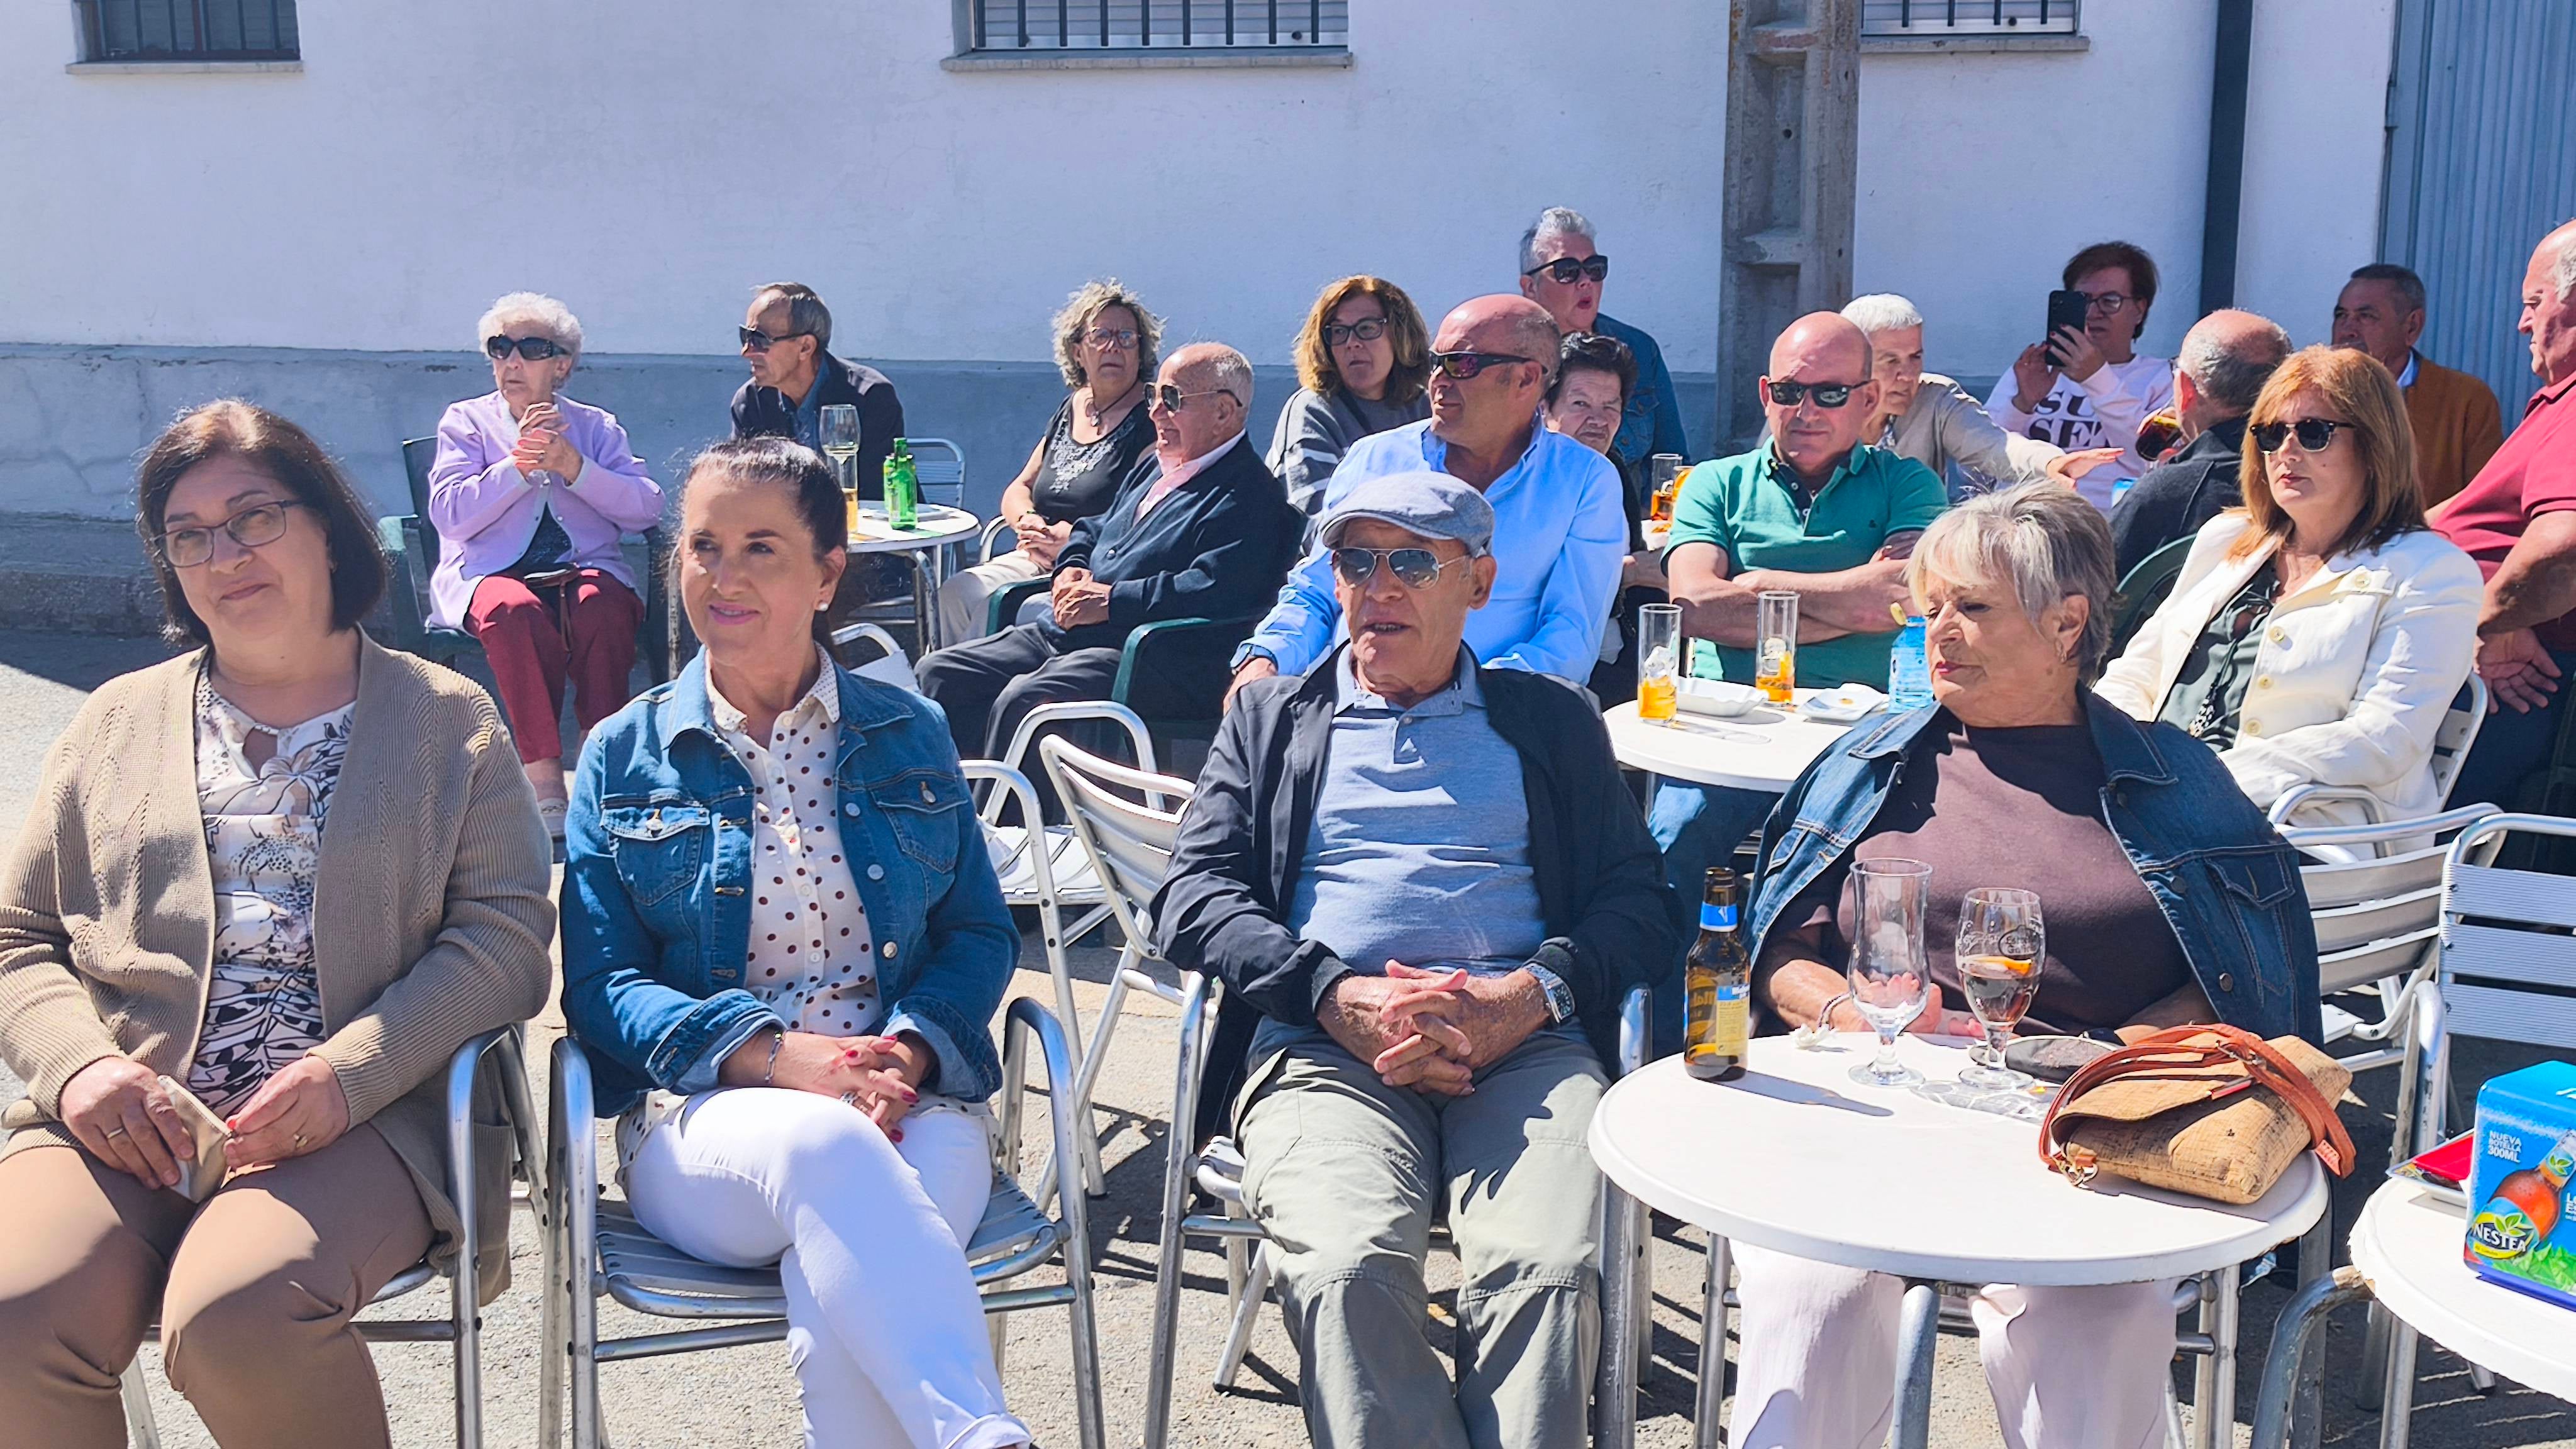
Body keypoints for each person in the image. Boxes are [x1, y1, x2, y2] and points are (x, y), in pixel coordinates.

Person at [0, 401, 555, 1448]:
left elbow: (504, 942)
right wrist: (79, 1069)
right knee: (11, 1310)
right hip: (128, 1114)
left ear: (329, 528)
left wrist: (349, 1073)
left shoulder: (450, 724)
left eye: (255, 516)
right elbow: (18, 931)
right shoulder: (113, 720)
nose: (225, 554)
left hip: (363, 1118)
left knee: (235, 1315)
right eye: (190, 532)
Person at [1728, 484, 2319, 1449]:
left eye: (1973, 608)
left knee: (2098, 1326)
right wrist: (1847, 1013)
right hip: (1879, 1107)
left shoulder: (2177, 778)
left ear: (2067, 623)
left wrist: (2110, 1057)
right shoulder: (1869, 763)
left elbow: (2243, 982)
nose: (1940, 634)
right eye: (1930, 611)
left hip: (2091, 1131)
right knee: (1811, 1295)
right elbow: (1778, 953)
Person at [1153, 472, 1675, 1449]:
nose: (1378, 587)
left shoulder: (1550, 721)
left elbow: (1642, 904)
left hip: (1525, 1043)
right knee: (1350, 1267)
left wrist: (1527, 994)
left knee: (1550, 1270)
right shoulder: (1272, 724)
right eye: (1356, 561)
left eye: (1410, 562)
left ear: (1477, 583)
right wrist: (1331, 993)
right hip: (1323, 1049)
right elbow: (1190, 897)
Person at [559, 437, 1031, 1449]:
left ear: (826, 575)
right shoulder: (623, 754)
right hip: (707, 1127)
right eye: (702, 546)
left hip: (913, 1103)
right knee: (824, 1142)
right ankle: (979, 1436)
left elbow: (979, 931)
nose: (722, 576)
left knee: (841, 1305)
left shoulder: (909, 730)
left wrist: (904, 1050)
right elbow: (600, 987)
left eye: (760, 548)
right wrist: (777, 1058)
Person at [1646, 314, 1950, 1051]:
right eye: (1789, 391)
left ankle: (1845, 1047)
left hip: (1865, 745)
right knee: (1664, 860)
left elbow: (1903, 597)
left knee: (1883, 884)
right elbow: (1691, 606)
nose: (1805, 410)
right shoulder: (1714, 483)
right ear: (1764, 393)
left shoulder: (1909, 482)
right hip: (1725, 739)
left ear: (1871, 399)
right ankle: (1665, 1047)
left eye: (1829, 392)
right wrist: (1849, 602)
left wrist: (1754, 590)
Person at [2097, 345, 2481, 826]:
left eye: (2314, 432)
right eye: (2271, 433)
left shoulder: (2431, 570)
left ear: (2375, 444)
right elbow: (2138, 671)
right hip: (2153, 803)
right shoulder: (2228, 539)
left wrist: (2200, 779)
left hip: (2302, 834)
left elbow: (2383, 739)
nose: (2286, 451)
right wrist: (2116, 753)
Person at [1227, 296, 1625, 697]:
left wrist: (1460, 703)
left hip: (1499, 718)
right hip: (1350, 709)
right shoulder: (1373, 457)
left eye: (1462, 363)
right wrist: (1265, 659)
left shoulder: (1586, 481)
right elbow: (1317, 589)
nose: (1438, 380)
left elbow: (1570, 638)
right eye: (1435, 362)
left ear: (1526, 379)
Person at [918, 343, 1294, 761]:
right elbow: (1095, 527)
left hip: (1149, 653)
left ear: (1224, 412)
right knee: (941, 673)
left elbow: (1214, 588)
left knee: (1025, 701)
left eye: (1172, 400)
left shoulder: (1249, 496)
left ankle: (1008, 823)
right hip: (1073, 633)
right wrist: (1072, 567)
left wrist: (1113, 603)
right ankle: (951, 811)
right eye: (1154, 396)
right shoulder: (1157, 467)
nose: (1155, 413)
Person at [429, 292, 664, 840]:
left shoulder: (595, 426)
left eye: (531, 349)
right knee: (512, 612)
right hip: (492, 575)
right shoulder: (466, 423)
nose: (512, 362)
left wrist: (574, 466)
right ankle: (544, 783)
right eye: (500, 347)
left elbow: (646, 506)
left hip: (581, 568)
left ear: (562, 365)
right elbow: (449, 515)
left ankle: (599, 768)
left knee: (602, 607)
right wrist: (517, 466)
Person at [2433, 219, 2576, 813]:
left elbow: (2564, 543)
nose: (2522, 322)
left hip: (2518, 689)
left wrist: (2489, 622)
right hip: (2513, 680)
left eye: (2534, 303)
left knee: (2453, 872)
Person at [936, 280, 1161, 641]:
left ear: (1141, 351)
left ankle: (973, 689)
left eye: (1126, 338)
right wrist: (1027, 522)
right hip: (1036, 553)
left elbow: (1147, 518)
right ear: (1077, 351)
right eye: (1100, 336)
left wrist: (1074, 541)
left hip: (1096, 567)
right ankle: (950, 688)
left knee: (993, 605)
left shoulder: (1152, 420)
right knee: (958, 592)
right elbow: (1020, 486)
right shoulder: (1072, 408)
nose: (1113, 348)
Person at [1984, 240, 2178, 507]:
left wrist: (2096, 378)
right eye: (2083, 301)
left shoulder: (2163, 379)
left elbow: (2150, 460)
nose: (2093, 313)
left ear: (2139, 309)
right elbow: (1976, 468)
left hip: (2105, 526)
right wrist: (2021, 405)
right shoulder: (2036, 370)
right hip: (2022, 519)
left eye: (2110, 301)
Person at [2106, 309, 2294, 578]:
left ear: (2185, 390)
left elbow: (2089, 588)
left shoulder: (2165, 497)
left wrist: (2175, 475)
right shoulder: (2312, 472)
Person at [1518, 206, 1690, 479]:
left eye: (1595, 269)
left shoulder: (1639, 350)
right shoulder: (1507, 353)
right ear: (1530, 287)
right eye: (1567, 271)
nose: (1586, 281)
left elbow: (1672, 463)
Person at [1838, 293, 2068, 495]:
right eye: (1891, 361)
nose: (1908, 375)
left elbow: (1994, 446)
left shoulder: (1936, 399)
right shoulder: (1820, 408)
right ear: (1854, 361)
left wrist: (2051, 463)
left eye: (1915, 357)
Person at [1546, 331, 1666, 703]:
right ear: (1545, 407)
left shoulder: (1611, 468)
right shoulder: (1533, 475)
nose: (1598, 421)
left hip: (1613, 654)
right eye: (1580, 404)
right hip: (1548, 665)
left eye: (1611, 407)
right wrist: (1628, 572)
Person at [2333, 262, 2504, 508]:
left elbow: (2483, 500)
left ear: (2412, 326)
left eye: (2366, 317)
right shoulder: (2313, 394)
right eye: (2341, 316)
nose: (2347, 330)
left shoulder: (2466, 401)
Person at [1267, 274, 1434, 521]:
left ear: (1401, 336)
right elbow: (1315, 522)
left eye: (1367, 328)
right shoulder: (1313, 412)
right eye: (1339, 332)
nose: (1352, 343)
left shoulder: (1426, 408)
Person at [731, 282, 906, 488]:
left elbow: (878, 494)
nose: (746, 351)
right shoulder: (751, 402)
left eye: (760, 340)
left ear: (805, 347)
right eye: (746, 336)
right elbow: (744, 488)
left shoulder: (870, 396)